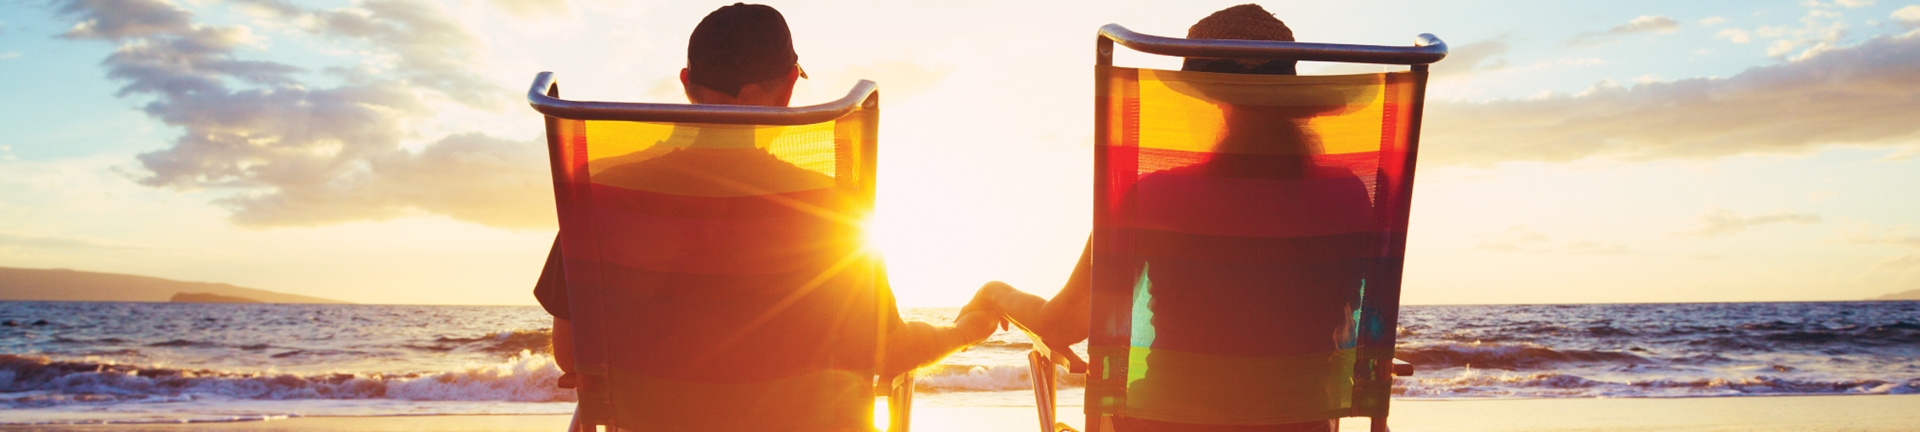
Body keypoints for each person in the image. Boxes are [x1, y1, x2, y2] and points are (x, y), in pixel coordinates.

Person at [533, 3, 998, 428]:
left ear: (686, 82)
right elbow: (888, 352)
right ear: (789, 86)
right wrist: (964, 331)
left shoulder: (607, 195)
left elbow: (573, 355)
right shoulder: (827, 208)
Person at [963, 5, 1373, 432]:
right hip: (1298, 425)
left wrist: (995, 293)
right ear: (1290, 98)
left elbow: (1063, 324)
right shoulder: (1349, 196)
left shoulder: (1154, 197)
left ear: (1211, 98)